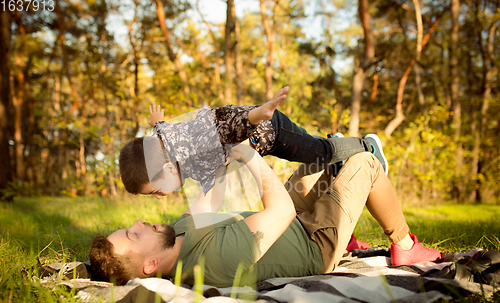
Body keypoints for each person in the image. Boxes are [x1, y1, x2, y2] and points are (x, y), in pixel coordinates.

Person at [89, 143, 441, 287]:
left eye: (128, 227)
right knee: (365, 163)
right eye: (133, 235)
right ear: (150, 266)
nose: (136, 223)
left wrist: (221, 152)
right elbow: (282, 208)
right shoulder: (215, 260)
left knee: (322, 157)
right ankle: (405, 244)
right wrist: (249, 156)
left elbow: (210, 197)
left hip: (293, 224)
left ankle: (350, 232)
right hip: (316, 243)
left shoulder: (176, 235)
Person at [119, 87, 385, 198]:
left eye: (155, 192)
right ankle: (338, 146)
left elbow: (228, 132)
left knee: (320, 153)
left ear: (166, 170)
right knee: (311, 149)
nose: (160, 197)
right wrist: (158, 122)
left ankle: (366, 146)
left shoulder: (193, 151)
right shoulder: (167, 143)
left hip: (269, 129)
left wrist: (257, 115)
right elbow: (163, 131)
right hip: (261, 131)